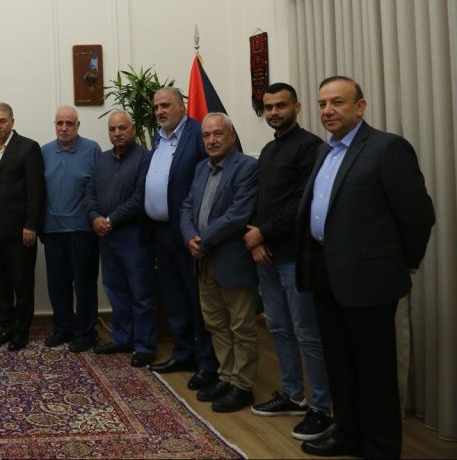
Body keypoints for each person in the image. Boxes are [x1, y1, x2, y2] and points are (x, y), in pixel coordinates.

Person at [297, 76, 434, 458]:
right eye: (322, 104)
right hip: (326, 274)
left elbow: (418, 214)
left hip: (370, 280)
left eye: (337, 102)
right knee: (340, 364)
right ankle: (348, 435)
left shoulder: (386, 148)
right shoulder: (325, 152)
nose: (328, 110)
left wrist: (405, 262)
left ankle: (381, 448)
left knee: (375, 371)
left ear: (360, 107)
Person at [245, 83, 334, 440]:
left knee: (307, 333)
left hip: (295, 256)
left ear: (296, 107)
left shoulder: (311, 147)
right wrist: (255, 237)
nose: (273, 113)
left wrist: (262, 233)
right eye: (268, 107)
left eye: (280, 106)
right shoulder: (269, 150)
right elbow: (261, 199)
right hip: (265, 254)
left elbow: (302, 203)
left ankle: (321, 407)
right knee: (278, 328)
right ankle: (294, 394)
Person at [180, 112, 259, 413]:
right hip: (203, 260)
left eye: (217, 134)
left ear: (231, 136)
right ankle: (226, 377)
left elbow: (238, 214)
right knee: (215, 323)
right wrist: (189, 236)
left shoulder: (247, 167)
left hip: (232, 259)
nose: (211, 140)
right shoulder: (201, 168)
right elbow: (187, 206)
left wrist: (203, 240)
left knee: (241, 325)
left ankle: (243, 385)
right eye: (206, 135)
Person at [142, 88, 219, 391]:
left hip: (188, 232)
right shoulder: (158, 137)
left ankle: (207, 362)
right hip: (161, 231)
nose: (160, 111)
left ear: (181, 106)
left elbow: (209, 180)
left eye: (165, 105)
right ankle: (183, 352)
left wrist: (194, 229)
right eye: (156, 107)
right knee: (173, 297)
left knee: (196, 298)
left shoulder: (198, 134)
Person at [87, 111, 156, 367]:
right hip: (106, 237)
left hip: (133, 236)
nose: (117, 133)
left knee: (141, 292)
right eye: (112, 129)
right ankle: (123, 338)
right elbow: (90, 193)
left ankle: (145, 346)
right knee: (115, 290)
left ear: (133, 129)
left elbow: (140, 197)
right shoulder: (101, 159)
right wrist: (95, 217)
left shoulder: (145, 158)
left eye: (122, 128)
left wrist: (110, 220)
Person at [0, 102, 45, 352]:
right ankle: (6, 326)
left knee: (22, 284)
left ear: (12, 121)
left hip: (20, 231)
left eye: (3, 121)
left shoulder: (28, 147)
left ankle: (21, 331)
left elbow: (36, 191)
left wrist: (31, 225)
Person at [40, 106, 101, 353]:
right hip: (52, 230)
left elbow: (98, 187)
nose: (64, 128)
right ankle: (62, 328)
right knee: (58, 285)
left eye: (69, 123)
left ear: (78, 126)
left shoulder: (92, 149)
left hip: (83, 230)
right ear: (54, 125)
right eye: (60, 123)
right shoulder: (44, 152)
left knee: (84, 285)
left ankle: (85, 332)